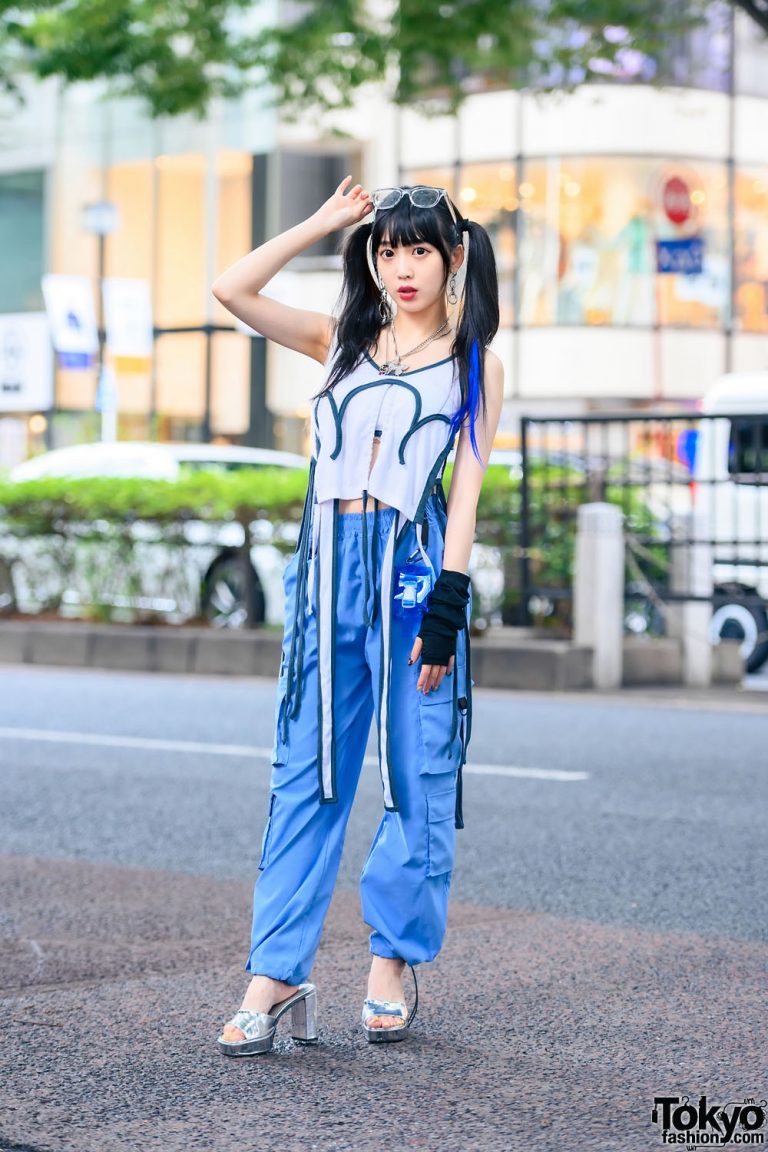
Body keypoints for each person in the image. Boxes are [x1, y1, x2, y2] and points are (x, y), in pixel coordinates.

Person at [212, 178, 503, 1055]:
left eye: (419, 248)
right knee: (307, 771)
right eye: (386, 248)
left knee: (419, 769)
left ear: (453, 257)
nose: (401, 266)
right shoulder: (342, 340)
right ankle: (277, 970)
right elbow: (231, 289)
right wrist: (324, 221)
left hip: (413, 577)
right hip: (326, 575)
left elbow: (468, 495)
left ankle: (392, 959)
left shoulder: (473, 359)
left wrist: (449, 606)